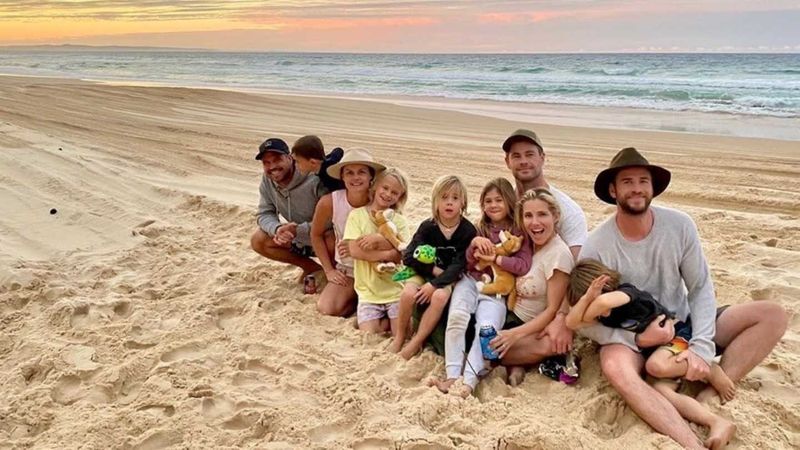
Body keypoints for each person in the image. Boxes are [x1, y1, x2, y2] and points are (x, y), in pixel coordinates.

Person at [579, 147, 788, 450]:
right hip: (633, 336)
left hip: (683, 323)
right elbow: (582, 318)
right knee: (614, 368)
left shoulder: (680, 225)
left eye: (642, 181)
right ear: (613, 190)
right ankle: (690, 443)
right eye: (626, 182)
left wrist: (702, 347)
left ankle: (709, 396)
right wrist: (636, 340)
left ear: (653, 188)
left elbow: (700, 286)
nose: (636, 188)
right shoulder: (596, 244)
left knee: (773, 315)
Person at [566, 260, 737, 449]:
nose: (595, 314)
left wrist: (591, 299)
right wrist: (585, 300)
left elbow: (601, 303)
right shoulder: (603, 313)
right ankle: (715, 422)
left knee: (655, 365)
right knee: (662, 393)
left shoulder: (625, 293)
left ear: (605, 286)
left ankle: (710, 369)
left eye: (592, 301)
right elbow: (572, 323)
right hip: (662, 351)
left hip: (679, 336)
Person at [430, 178, 533, 397]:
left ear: (509, 201)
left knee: (487, 329)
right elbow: (466, 263)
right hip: (470, 281)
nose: (493, 205)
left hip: (496, 290)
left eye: (499, 200)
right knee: (457, 316)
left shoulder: (518, 233)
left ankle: (468, 382)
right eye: (488, 201)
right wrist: (474, 245)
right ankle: (452, 375)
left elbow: (523, 265)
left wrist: (497, 259)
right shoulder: (478, 228)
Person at [501, 129, 587, 361]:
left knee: (550, 341)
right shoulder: (504, 204)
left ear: (542, 158)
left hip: (550, 305)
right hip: (512, 298)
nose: (524, 161)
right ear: (507, 161)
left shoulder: (567, 211)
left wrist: (561, 319)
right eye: (516, 156)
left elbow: (576, 272)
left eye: (530, 154)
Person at [489, 188, 575, 385]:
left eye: (542, 214)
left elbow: (553, 310)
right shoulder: (525, 244)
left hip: (534, 327)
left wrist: (514, 334)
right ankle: (518, 364)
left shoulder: (558, 255)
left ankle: (519, 360)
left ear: (555, 216)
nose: (535, 223)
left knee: (546, 345)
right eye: (528, 215)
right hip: (509, 315)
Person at [389, 175, 477, 360]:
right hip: (424, 271)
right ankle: (400, 336)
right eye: (444, 197)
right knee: (407, 294)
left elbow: (458, 266)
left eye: (455, 198)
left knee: (439, 297)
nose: (449, 203)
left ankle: (417, 341)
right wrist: (432, 272)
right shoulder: (428, 226)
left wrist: (435, 284)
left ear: (463, 202)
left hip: (448, 277)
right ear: (435, 201)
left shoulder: (467, 230)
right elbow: (408, 255)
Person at [311, 148, 385, 317]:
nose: (356, 177)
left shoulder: (381, 200)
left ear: (371, 176)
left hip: (377, 268)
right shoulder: (330, 202)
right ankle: (355, 298)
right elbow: (316, 235)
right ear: (342, 177)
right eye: (349, 173)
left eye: (361, 172)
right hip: (348, 268)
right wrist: (329, 270)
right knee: (327, 308)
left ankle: (363, 299)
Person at [250, 137, 330, 286]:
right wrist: (278, 229)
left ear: (290, 158)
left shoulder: (315, 178)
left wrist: (297, 230)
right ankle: (311, 268)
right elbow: (264, 212)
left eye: (276, 160)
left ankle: (332, 273)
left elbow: (330, 220)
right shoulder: (268, 180)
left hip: (322, 238)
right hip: (298, 239)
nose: (272, 166)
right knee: (258, 240)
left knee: (332, 238)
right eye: (266, 163)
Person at [344, 168, 409, 334]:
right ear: (375, 187)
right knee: (370, 332)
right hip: (368, 292)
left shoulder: (399, 221)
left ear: (399, 197)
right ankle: (385, 321)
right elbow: (354, 250)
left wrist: (377, 239)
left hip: (395, 288)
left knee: (404, 333)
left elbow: (401, 252)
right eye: (385, 188)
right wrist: (388, 253)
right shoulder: (356, 215)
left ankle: (396, 319)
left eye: (394, 192)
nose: (388, 194)